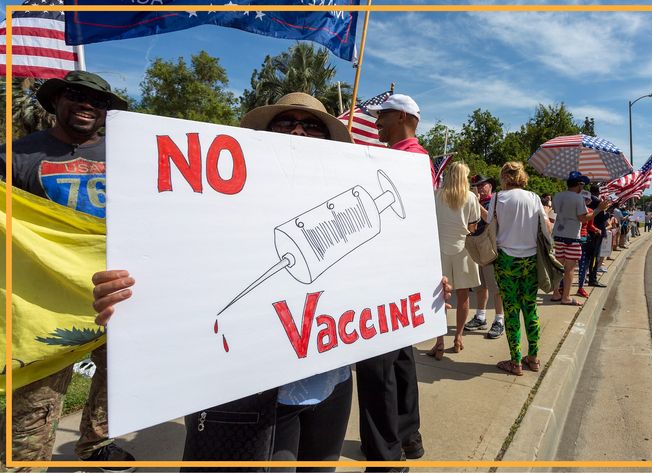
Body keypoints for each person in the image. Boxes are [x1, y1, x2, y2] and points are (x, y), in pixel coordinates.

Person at [93, 93, 357, 472]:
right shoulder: (212, 200)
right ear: (263, 134)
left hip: (329, 380)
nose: (299, 129)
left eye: (311, 124)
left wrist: (420, 291)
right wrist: (125, 295)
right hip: (251, 390)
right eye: (285, 122)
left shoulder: (345, 202)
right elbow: (171, 266)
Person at [0, 71, 136, 470]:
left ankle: (96, 447)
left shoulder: (129, 154)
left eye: (99, 101)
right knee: (36, 399)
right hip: (47, 299)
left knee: (119, 379)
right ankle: (27, 462)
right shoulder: (17, 156)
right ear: (57, 101)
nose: (88, 105)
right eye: (77, 95)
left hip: (117, 290)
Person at [358, 93, 428, 470]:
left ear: (401, 116)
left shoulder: (401, 160)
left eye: (382, 116)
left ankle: (385, 453)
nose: (377, 123)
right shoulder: (418, 157)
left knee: (375, 369)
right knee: (401, 360)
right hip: (401, 275)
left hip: (383, 274)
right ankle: (408, 435)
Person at [488, 162, 551, 376]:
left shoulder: (497, 198)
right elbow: (546, 228)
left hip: (506, 261)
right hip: (531, 259)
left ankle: (515, 361)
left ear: (505, 176)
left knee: (512, 310)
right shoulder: (533, 198)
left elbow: (489, 226)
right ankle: (533, 357)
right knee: (530, 307)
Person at [427, 162, 481, 359]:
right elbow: (473, 227)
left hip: (440, 249)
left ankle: (439, 341)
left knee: (439, 298)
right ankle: (458, 337)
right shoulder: (471, 197)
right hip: (463, 249)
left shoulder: (437, 195)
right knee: (463, 296)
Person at [551, 172, 609, 306]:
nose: (582, 187)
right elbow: (583, 218)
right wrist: (598, 210)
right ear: (579, 184)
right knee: (569, 268)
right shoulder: (577, 198)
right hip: (572, 236)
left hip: (558, 234)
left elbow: (555, 210)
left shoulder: (558, 196)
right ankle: (565, 297)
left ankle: (555, 293)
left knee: (558, 266)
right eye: (582, 184)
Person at [463, 174, 505, 340]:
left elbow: (491, 220)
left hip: (490, 248)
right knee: (480, 285)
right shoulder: (474, 201)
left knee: (495, 287)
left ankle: (499, 320)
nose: (480, 188)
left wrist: (476, 203)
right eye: (477, 186)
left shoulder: (496, 201)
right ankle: (480, 316)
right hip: (476, 247)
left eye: (483, 185)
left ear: (491, 186)